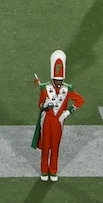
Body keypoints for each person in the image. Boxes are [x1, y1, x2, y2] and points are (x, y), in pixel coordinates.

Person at [33, 50, 83, 181]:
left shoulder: (67, 89)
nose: (59, 83)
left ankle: (53, 171)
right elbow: (40, 105)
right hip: (47, 120)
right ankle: (44, 171)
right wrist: (45, 105)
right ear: (53, 79)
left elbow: (80, 100)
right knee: (45, 147)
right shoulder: (44, 88)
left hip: (58, 121)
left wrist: (68, 112)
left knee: (55, 148)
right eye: (57, 80)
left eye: (61, 80)